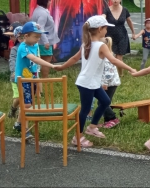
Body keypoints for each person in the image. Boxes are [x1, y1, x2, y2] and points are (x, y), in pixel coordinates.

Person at [55, 16, 136, 148]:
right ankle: (78, 137)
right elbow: (114, 60)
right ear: (99, 29)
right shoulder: (101, 46)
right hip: (87, 83)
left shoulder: (86, 44)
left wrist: (61, 67)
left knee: (105, 101)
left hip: (91, 82)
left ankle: (92, 127)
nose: (106, 30)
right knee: (85, 109)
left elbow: (74, 58)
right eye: (105, 28)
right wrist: (130, 68)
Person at [13, 22, 60, 139]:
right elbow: (34, 58)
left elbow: (36, 60)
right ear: (26, 36)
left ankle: (18, 123)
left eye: (39, 37)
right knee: (27, 105)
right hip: (23, 80)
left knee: (28, 103)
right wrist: (52, 66)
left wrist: (37, 78)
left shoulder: (34, 46)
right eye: (36, 37)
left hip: (32, 78)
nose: (38, 40)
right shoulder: (23, 48)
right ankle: (25, 130)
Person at [102, 0, 136, 75]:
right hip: (110, 36)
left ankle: (120, 74)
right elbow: (103, 17)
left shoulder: (125, 10)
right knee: (111, 56)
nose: (115, 0)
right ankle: (111, 73)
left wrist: (133, 32)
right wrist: (102, 19)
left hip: (122, 35)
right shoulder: (107, 10)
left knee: (119, 56)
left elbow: (129, 21)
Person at [30, 0, 60, 81]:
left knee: (43, 61)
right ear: (46, 1)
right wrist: (46, 41)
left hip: (41, 41)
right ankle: (45, 81)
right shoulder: (42, 13)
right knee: (46, 62)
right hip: (43, 42)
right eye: (49, 0)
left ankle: (40, 81)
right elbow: (40, 27)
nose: (51, 2)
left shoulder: (38, 10)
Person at [99, 37, 121, 129]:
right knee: (104, 102)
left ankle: (113, 118)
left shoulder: (106, 58)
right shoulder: (107, 56)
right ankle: (108, 120)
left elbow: (108, 73)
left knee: (102, 103)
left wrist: (104, 83)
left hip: (109, 84)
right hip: (109, 83)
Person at [6, 26, 23, 121]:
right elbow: (12, 61)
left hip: (26, 77)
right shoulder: (15, 49)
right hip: (16, 78)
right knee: (18, 98)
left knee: (23, 99)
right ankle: (13, 109)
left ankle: (20, 119)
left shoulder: (31, 48)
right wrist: (13, 71)